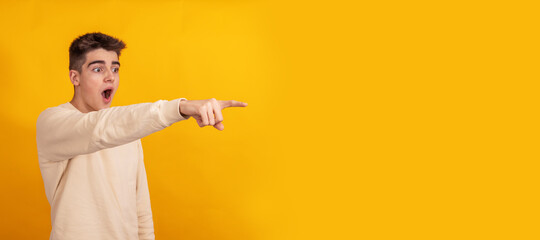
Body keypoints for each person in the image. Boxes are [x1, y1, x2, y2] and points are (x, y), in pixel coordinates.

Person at [36, 32, 248, 240]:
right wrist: (179, 108)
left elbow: (141, 208)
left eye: (115, 69)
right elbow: (96, 129)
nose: (110, 76)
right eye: (98, 69)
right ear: (75, 77)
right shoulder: (52, 122)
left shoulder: (129, 129)